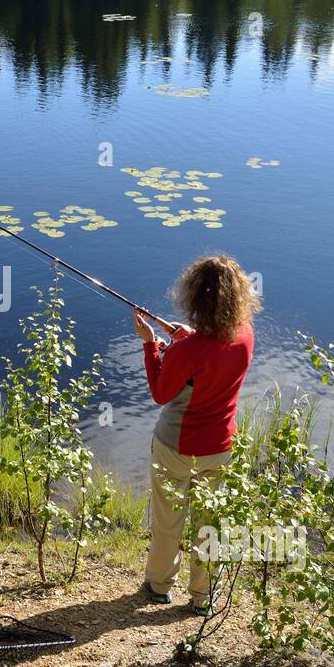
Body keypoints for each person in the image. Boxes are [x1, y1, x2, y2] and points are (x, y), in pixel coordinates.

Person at [132, 255, 258, 615]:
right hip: (220, 448)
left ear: (195, 297)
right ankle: (203, 598)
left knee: (167, 520)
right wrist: (186, 338)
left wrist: (150, 344)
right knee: (209, 525)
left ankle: (158, 587)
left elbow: (160, 391)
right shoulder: (246, 337)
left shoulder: (187, 351)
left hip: (176, 447)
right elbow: (213, 356)